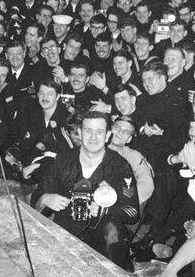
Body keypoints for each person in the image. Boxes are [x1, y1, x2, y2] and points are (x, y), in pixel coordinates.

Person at [34, 112, 140, 268]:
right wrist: (45, 199)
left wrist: (105, 209)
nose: (93, 137)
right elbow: (36, 201)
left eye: (99, 132)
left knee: (113, 231)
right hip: (65, 230)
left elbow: (132, 212)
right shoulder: (62, 160)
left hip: (99, 235)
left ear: (107, 135)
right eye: (88, 130)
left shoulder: (120, 166)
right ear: (80, 133)